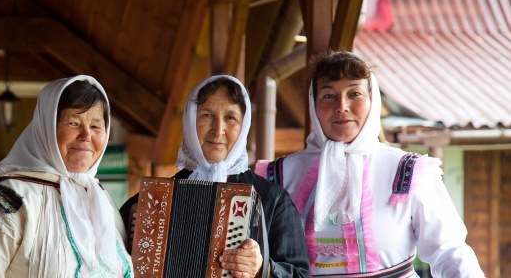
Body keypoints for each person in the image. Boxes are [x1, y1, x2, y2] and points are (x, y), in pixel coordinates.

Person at [255, 51, 484, 277]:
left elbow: (448, 251)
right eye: (328, 95)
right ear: (313, 104)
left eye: (354, 93)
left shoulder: (407, 171)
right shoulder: (281, 175)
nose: (341, 106)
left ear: (373, 101)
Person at [120, 75, 310, 278]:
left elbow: (300, 274)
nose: (218, 130)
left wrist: (265, 269)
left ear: (244, 126)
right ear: (190, 121)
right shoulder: (149, 201)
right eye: (207, 115)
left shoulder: (273, 201)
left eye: (230, 118)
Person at [0, 75, 133, 277]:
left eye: (96, 126)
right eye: (73, 122)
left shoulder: (101, 201)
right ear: (46, 127)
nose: (86, 135)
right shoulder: (14, 200)